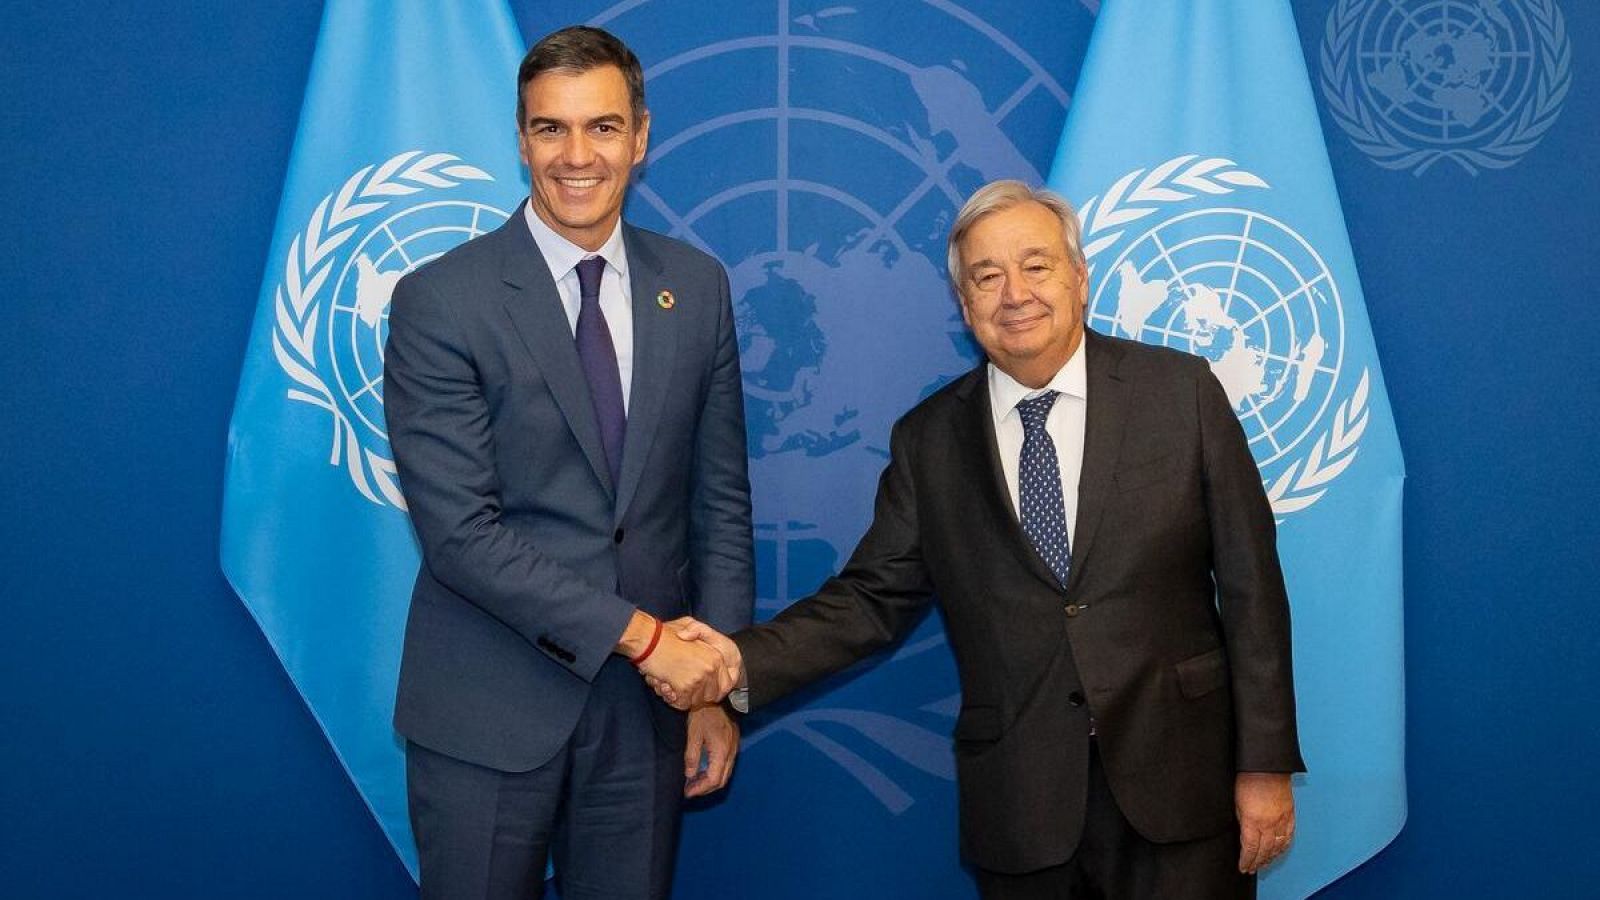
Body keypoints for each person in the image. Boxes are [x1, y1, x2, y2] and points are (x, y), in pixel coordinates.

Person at [666, 181, 1304, 898]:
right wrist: (732, 663)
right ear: (965, 305)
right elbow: (869, 602)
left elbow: (1252, 590)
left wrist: (1264, 765)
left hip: (1185, 789)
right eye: (986, 276)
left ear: (1079, 278)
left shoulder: (1180, 392)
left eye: (1036, 266)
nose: (1015, 294)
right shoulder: (929, 440)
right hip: (1023, 806)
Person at [383, 25, 752, 900]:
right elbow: (463, 538)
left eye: (603, 127)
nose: (577, 156)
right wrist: (648, 640)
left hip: (647, 718)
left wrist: (713, 685)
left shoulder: (696, 287)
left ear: (642, 136)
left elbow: (720, 503)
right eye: (552, 129)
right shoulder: (440, 299)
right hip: (488, 709)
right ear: (520, 139)